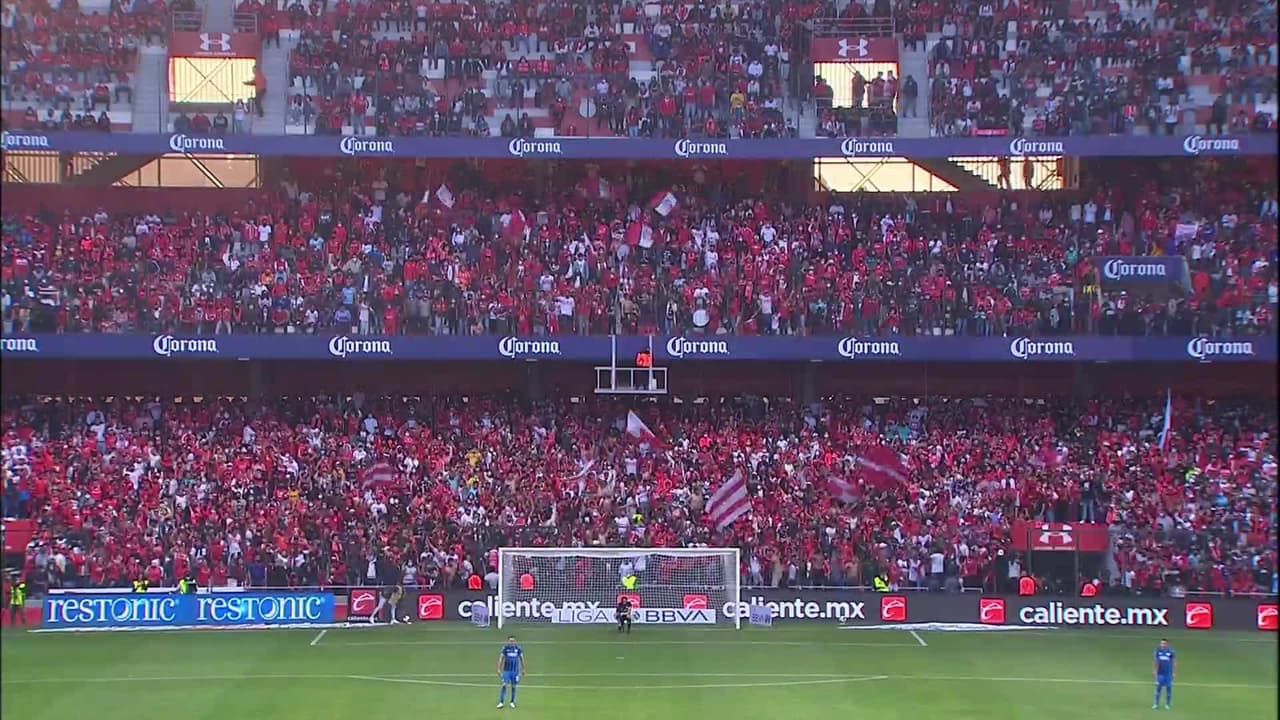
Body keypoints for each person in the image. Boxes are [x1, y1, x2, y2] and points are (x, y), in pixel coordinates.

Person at [497, 635, 525, 709]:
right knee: (504, 685)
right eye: (510, 641)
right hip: (506, 670)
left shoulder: (518, 649)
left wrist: (523, 669)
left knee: (514, 686)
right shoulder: (505, 648)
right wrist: (499, 669)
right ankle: (501, 702)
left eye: (513, 641)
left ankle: (512, 702)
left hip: (515, 671)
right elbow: (501, 658)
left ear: (515, 641)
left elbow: (522, 658)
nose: (512, 642)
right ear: (508, 641)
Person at [1153, 638, 1176, 710]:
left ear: (1167, 644)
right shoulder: (1158, 651)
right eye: (1162, 643)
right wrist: (1155, 671)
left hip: (1168, 674)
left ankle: (1167, 704)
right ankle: (1156, 704)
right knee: (1158, 689)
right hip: (1160, 673)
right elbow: (1156, 662)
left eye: (1164, 643)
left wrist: (1174, 672)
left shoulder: (1171, 652)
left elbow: (1174, 662)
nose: (1163, 645)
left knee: (1169, 689)